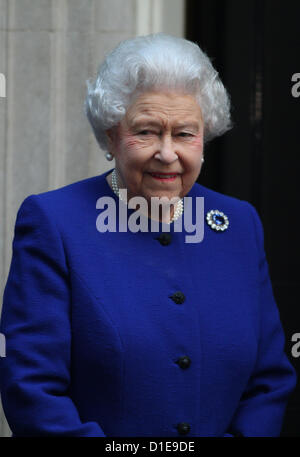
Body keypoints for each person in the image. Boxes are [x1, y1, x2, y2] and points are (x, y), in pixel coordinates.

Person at [0, 33, 297, 437]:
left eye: (185, 133)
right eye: (146, 131)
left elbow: (269, 381)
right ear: (111, 135)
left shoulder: (239, 224)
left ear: (204, 137)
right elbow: (31, 388)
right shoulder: (55, 222)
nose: (168, 152)